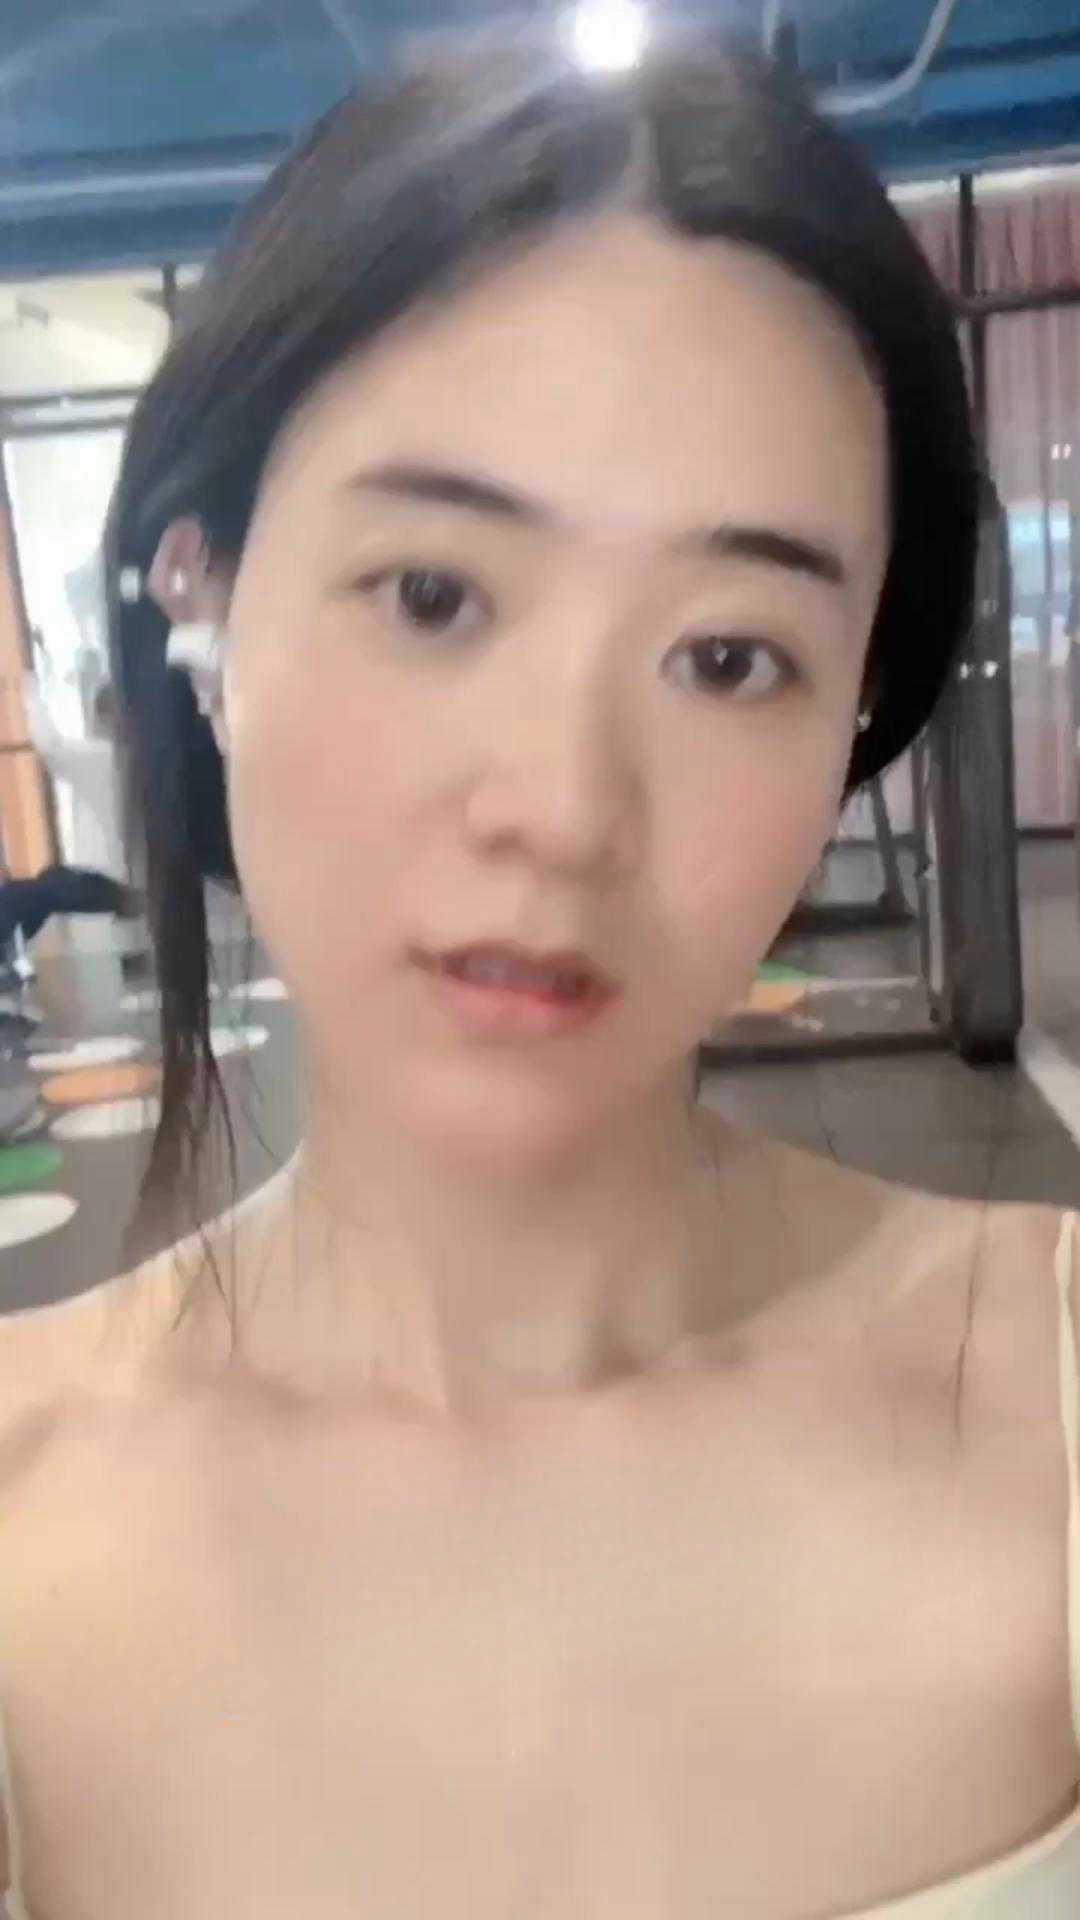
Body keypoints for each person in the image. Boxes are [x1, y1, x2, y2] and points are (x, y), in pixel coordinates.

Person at [0, 27, 1076, 1920]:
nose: (567, 810)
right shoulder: (29, 1522)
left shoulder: (1051, 1391)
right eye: (435, 596)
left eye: (729, 657)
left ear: (852, 716)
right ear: (202, 597)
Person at [0, 677, 140, 974]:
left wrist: (28, 688)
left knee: (14, 897)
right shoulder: (138, 760)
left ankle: (11, 965)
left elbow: (50, 746)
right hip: (125, 884)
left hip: (104, 885)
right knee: (48, 880)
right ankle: (16, 962)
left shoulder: (102, 756)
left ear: (104, 717)